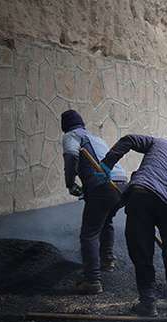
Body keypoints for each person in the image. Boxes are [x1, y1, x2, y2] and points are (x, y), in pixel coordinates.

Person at [99, 135, 167, 316]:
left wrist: (107, 163)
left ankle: (148, 302)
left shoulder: (159, 143)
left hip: (141, 195)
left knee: (142, 252)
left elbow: (129, 139)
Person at [61, 110, 128, 295]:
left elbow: (71, 156)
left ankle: (92, 280)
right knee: (105, 221)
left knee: (89, 233)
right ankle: (107, 260)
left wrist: (70, 183)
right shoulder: (94, 137)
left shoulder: (71, 135)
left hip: (104, 185)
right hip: (122, 185)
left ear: (65, 125)